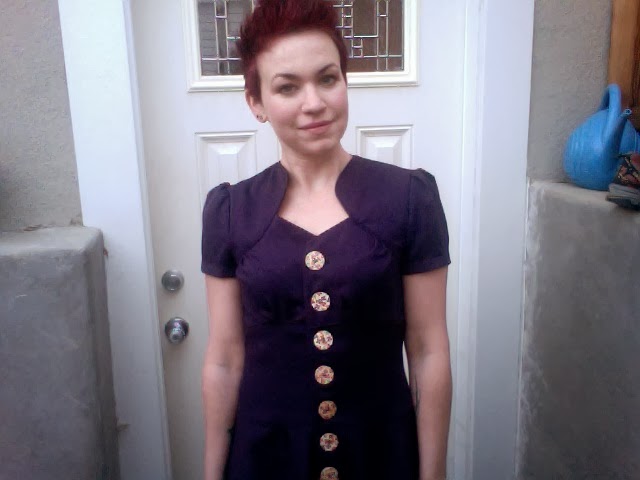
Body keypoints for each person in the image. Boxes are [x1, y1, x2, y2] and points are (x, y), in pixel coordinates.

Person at [201, 1, 452, 479]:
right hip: (267, 458)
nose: (313, 102)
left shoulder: (409, 198)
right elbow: (224, 360)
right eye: (287, 87)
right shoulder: (230, 211)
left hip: (380, 455)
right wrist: (212, 474)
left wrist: (433, 473)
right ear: (256, 103)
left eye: (327, 78)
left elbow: (428, 350)